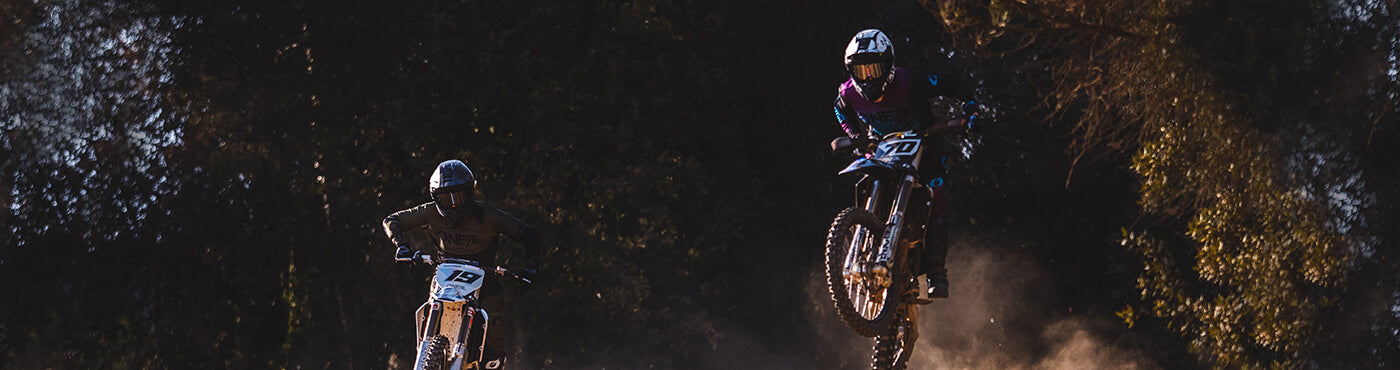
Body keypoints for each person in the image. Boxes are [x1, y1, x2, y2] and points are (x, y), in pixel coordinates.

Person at [833, 29, 979, 299]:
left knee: (939, 196)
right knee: (865, 179)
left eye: (874, 69)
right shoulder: (848, 93)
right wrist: (855, 136)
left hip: (925, 143)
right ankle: (868, 238)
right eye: (861, 70)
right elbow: (840, 110)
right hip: (882, 147)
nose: (868, 77)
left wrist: (970, 112)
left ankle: (937, 271)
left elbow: (955, 84)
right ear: (851, 70)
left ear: (888, 65)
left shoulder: (910, 81)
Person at [383, 159, 541, 368]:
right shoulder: (429, 212)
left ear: (470, 192)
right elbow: (392, 220)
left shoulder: (488, 215)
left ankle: (492, 363)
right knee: (428, 311)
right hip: (445, 277)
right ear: (435, 198)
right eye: (445, 199)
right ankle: (426, 351)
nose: (453, 205)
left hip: (485, 279)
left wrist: (531, 266)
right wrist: (401, 245)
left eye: (458, 196)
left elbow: (527, 233)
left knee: (494, 320)